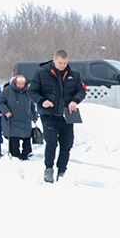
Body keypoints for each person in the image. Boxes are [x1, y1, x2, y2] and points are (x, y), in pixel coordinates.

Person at [27, 51, 86, 182]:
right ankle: (49, 169)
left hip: (67, 114)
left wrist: (75, 101)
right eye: (60, 63)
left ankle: (62, 171)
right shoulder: (41, 73)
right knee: (51, 143)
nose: (62, 65)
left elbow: (81, 91)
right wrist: (42, 101)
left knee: (67, 144)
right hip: (49, 115)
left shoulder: (74, 74)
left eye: (65, 63)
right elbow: (31, 91)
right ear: (54, 60)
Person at [0, 75, 38, 160]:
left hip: (25, 119)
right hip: (12, 119)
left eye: (22, 84)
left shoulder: (28, 91)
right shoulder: (7, 91)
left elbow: (32, 105)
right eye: (19, 84)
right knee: (14, 139)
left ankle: (25, 155)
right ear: (15, 83)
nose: (21, 85)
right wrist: (6, 111)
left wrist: (34, 116)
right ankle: (15, 155)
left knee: (27, 138)